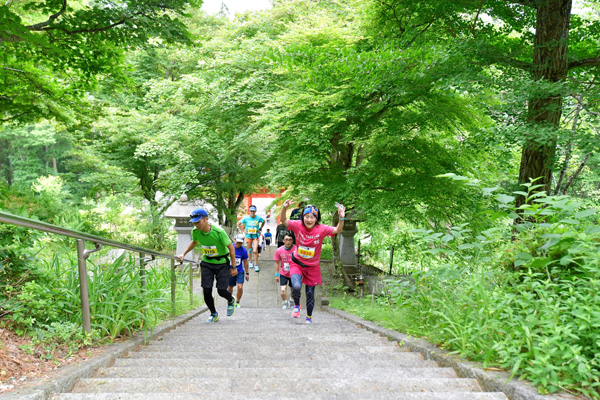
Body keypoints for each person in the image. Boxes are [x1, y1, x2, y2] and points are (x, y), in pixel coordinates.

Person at [279, 200, 345, 324]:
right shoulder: (298, 225)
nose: (309, 220)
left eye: (312, 217)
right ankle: (297, 306)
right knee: (297, 286)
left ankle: (309, 316)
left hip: (312, 267)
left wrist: (342, 218)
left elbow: (337, 230)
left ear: (316, 218)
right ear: (302, 217)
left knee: (310, 293)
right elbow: (284, 221)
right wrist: (284, 208)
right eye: (306, 217)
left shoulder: (322, 229)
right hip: (297, 263)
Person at [178, 208, 237, 323]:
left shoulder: (219, 231)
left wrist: (233, 267)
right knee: (206, 290)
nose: (196, 225)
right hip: (207, 263)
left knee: (221, 290)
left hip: (222, 263)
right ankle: (213, 313)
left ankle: (230, 299)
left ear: (206, 219)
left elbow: (231, 249)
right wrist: (184, 253)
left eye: (198, 222)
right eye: (194, 222)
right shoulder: (195, 231)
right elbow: (194, 242)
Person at [237, 205, 265, 272]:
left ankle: (256, 264)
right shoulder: (246, 218)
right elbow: (238, 223)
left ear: (255, 211)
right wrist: (243, 230)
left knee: (255, 250)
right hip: (248, 236)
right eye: (251, 211)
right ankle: (250, 262)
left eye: (253, 211)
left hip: (256, 236)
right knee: (249, 250)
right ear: (249, 211)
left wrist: (260, 228)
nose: (252, 212)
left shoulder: (258, 218)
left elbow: (263, 221)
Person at [273, 234, 296, 309]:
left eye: (290, 239)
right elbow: (277, 262)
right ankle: (285, 302)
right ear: (283, 241)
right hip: (284, 273)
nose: (288, 241)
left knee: (293, 290)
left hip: (294, 273)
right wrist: (276, 274)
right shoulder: (279, 250)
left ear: (292, 240)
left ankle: (292, 300)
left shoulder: (296, 249)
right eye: (286, 239)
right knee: (283, 290)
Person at [229, 234, 250, 308]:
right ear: (234, 240)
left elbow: (245, 262)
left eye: (240, 243)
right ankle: (230, 300)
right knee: (230, 287)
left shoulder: (243, 250)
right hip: (230, 270)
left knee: (240, 286)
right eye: (237, 242)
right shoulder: (230, 247)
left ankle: (237, 301)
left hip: (240, 271)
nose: (238, 244)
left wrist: (247, 273)